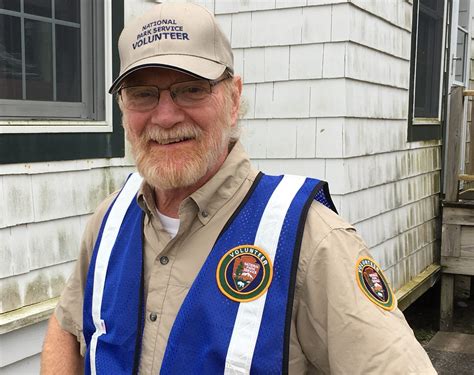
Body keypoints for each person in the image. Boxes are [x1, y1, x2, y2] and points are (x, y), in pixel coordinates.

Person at [41, 3, 436, 374]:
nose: (164, 116)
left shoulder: (312, 242)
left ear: (233, 99)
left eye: (191, 88)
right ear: (124, 109)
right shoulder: (109, 221)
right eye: (143, 94)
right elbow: (67, 326)